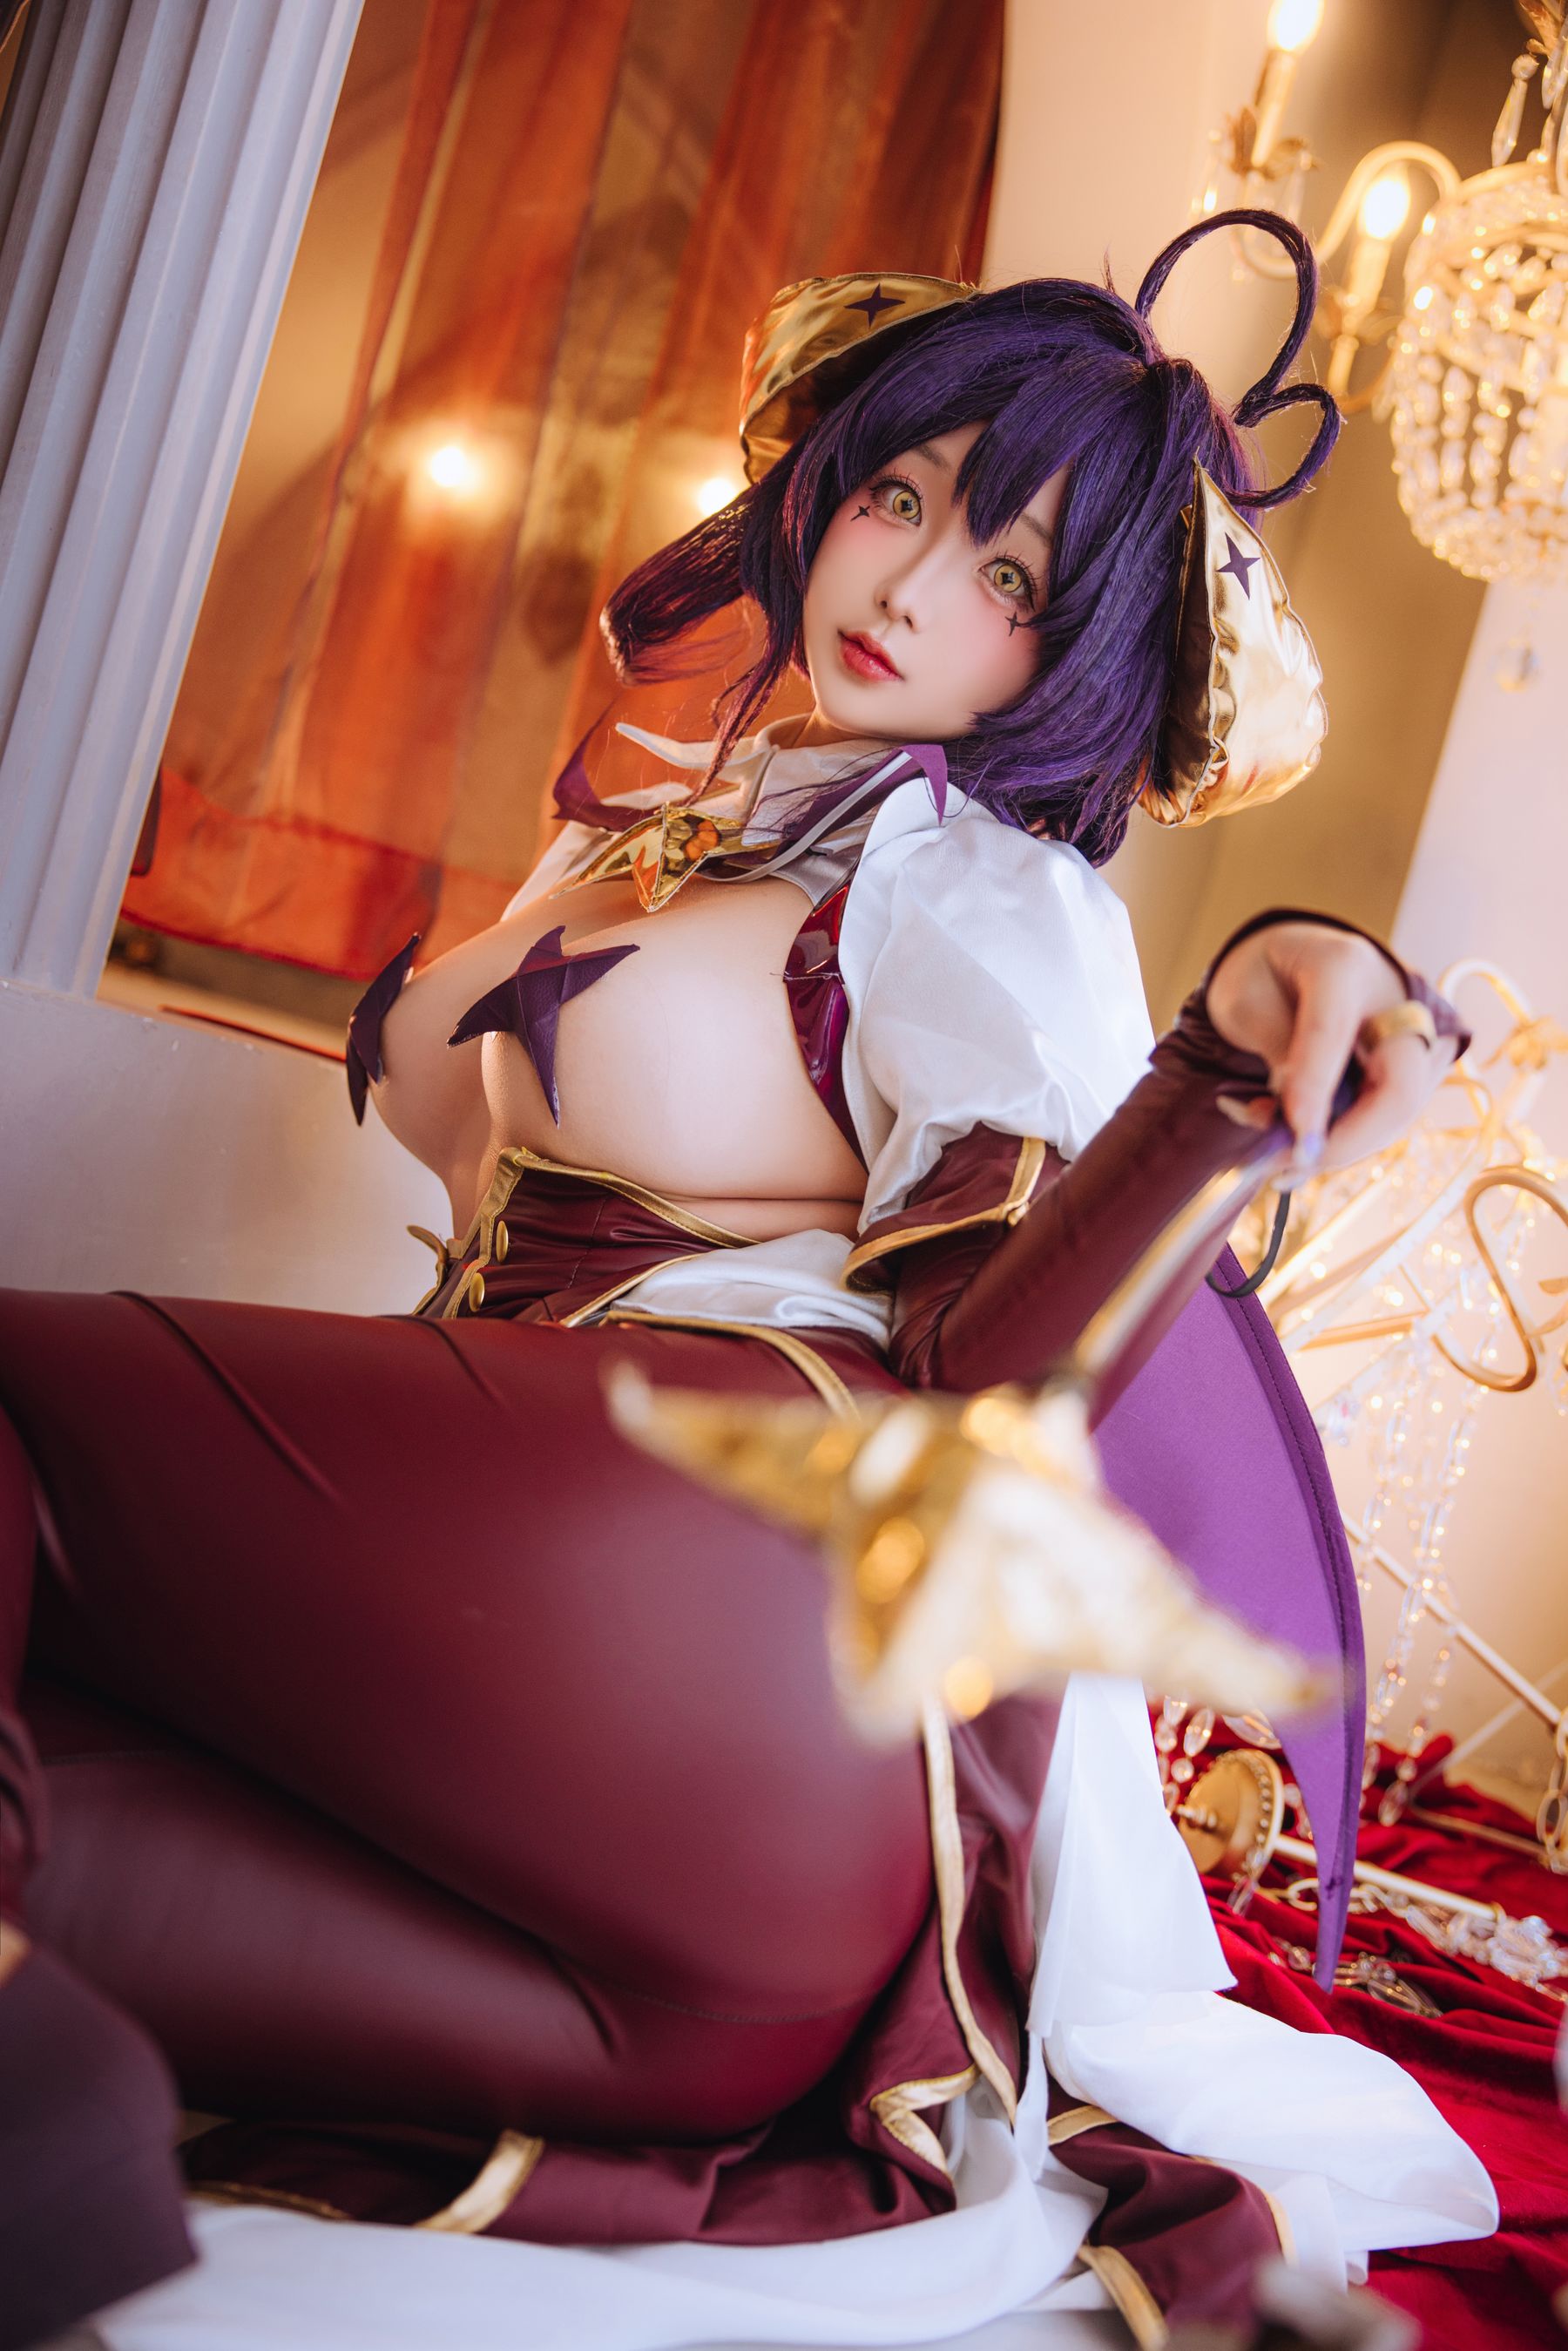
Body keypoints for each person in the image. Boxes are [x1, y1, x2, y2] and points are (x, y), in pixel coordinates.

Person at [0, 212, 1496, 2351]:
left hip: (741, 1626)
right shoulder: (657, 832)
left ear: (1067, 662)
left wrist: (1219, 1075)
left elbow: (992, 1381)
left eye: (1011, 580)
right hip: (622, 1834)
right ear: (827, 477)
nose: (911, 584)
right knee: (44, 1812)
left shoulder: (983, 893)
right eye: (905, 495)